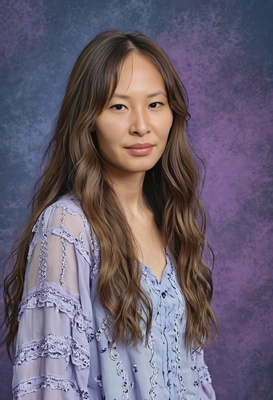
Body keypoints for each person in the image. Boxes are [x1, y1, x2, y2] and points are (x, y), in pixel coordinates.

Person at [2, 30, 217, 399]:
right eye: (118, 106)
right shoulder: (67, 226)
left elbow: (191, 375)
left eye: (155, 104)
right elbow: (48, 387)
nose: (141, 126)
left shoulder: (172, 221)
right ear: (88, 120)